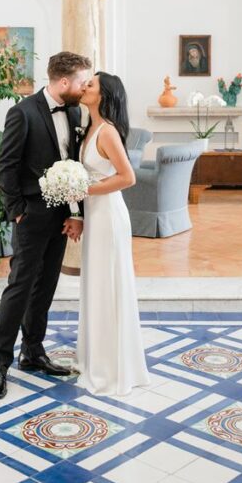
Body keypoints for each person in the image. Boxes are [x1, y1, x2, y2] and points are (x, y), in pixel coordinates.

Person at [0, 51, 92, 399]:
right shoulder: (23, 112)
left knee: (45, 286)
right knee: (19, 287)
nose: (85, 87)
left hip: (62, 215)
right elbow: (7, 165)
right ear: (64, 82)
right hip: (31, 215)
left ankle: (33, 351)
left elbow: (74, 164)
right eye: (82, 82)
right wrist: (18, 211)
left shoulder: (76, 111)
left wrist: (75, 212)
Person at [76, 72, 150, 396]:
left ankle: (111, 369)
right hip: (95, 216)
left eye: (90, 84)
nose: (83, 87)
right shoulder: (89, 128)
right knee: (96, 287)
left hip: (108, 216)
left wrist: (84, 188)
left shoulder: (107, 132)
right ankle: (97, 360)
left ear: (103, 95)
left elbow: (128, 177)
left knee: (108, 287)